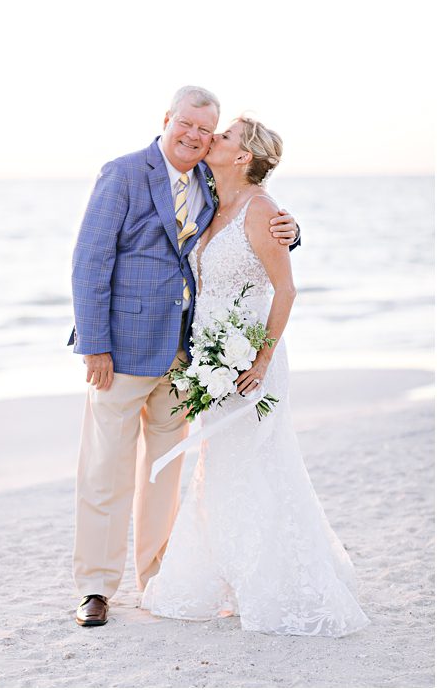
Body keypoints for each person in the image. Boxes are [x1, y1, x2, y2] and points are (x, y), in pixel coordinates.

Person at [69, 86, 299, 627]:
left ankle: (156, 578)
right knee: (106, 470)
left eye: (207, 130)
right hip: (120, 353)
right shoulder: (123, 174)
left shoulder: (208, 181)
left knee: (164, 472)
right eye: (188, 125)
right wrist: (95, 344)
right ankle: (97, 586)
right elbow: (88, 262)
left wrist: (293, 232)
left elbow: (245, 231)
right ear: (167, 119)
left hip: (185, 356)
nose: (196, 137)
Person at [140, 117, 369, 636]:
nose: (212, 139)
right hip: (212, 358)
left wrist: (260, 360)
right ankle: (233, 575)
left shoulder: (263, 209)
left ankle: (272, 580)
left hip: (250, 362)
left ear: (243, 156)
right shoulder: (210, 199)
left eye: (224, 137)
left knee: (260, 463)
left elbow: (284, 290)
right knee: (219, 466)